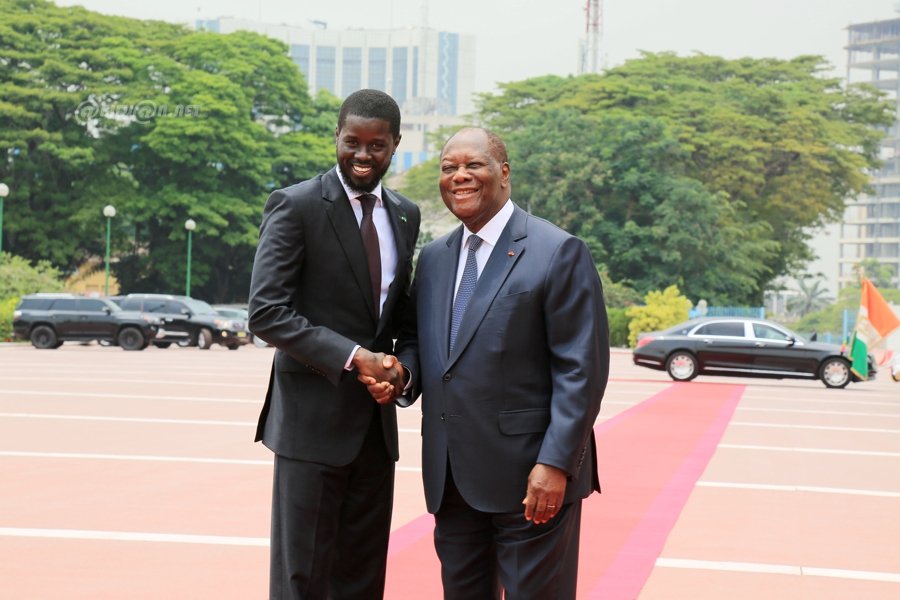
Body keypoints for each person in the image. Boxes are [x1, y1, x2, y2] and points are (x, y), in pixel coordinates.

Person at [374, 126, 609, 599]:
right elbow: (421, 341)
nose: (459, 176)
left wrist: (556, 463)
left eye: (473, 165)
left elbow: (581, 370)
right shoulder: (436, 258)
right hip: (452, 480)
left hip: (532, 481)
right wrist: (403, 374)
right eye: (448, 168)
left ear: (503, 173)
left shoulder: (557, 251)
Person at [248, 88, 420, 599]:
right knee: (302, 579)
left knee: (363, 579)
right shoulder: (296, 205)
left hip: (374, 429)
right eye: (352, 142)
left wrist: (402, 373)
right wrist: (355, 357)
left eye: (377, 145)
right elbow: (266, 313)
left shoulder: (406, 215)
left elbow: (403, 321)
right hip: (309, 426)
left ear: (395, 146)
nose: (363, 156)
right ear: (336, 139)